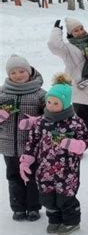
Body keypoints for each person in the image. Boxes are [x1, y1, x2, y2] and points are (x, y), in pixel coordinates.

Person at [19, 73, 88, 235]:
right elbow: (33, 141)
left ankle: (71, 222)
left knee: (65, 197)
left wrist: (72, 144)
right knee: (46, 197)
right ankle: (54, 219)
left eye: (55, 103)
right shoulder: (42, 122)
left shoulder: (75, 122)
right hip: (44, 169)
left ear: (65, 103)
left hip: (67, 171)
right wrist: (26, 160)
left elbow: (85, 142)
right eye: (49, 102)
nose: (50, 105)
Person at [47, 17, 88, 154]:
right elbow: (53, 45)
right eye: (75, 30)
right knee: (81, 123)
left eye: (81, 28)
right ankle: (79, 147)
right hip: (80, 90)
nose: (80, 32)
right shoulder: (67, 49)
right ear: (70, 33)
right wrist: (56, 31)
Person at [0, 54, 46, 222]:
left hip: (31, 147)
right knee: (13, 177)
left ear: (29, 72)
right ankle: (18, 208)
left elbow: (50, 117)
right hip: (8, 145)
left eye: (21, 71)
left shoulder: (39, 94)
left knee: (32, 177)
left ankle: (34, 207)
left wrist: (36, 121)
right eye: (13, 73)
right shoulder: (2, 93)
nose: (18, 75)